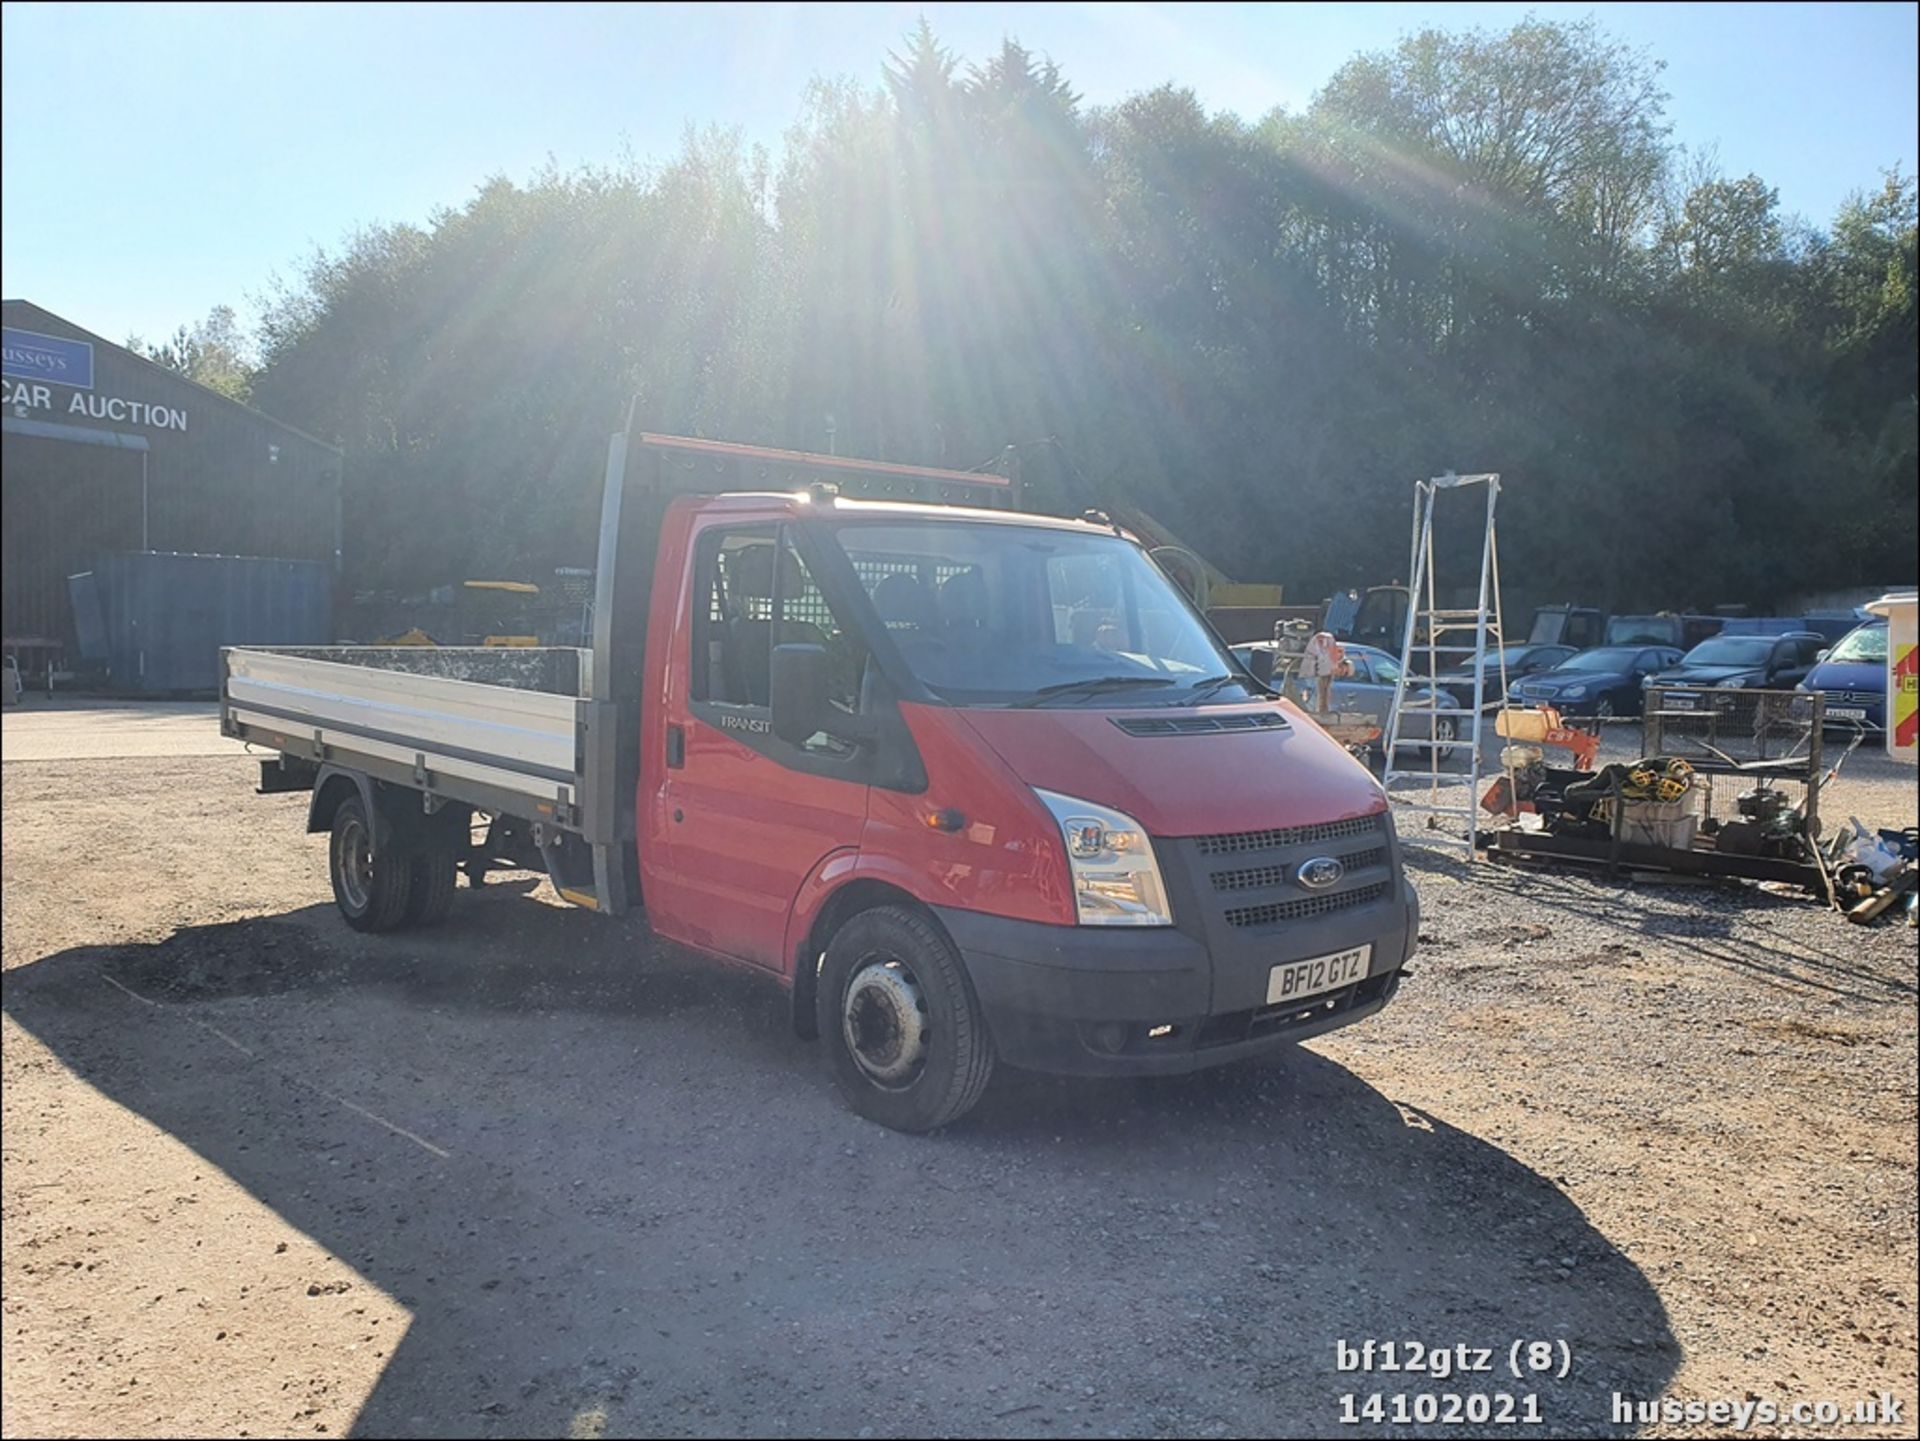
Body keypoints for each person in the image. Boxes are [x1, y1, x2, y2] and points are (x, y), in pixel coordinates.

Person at [1298, 630, 1346, 713]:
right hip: (1312, 675)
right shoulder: (1316, 649)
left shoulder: (1330, 650)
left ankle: (1322, 711)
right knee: (1315, 695)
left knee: (1323, 693)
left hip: (1321, 673)